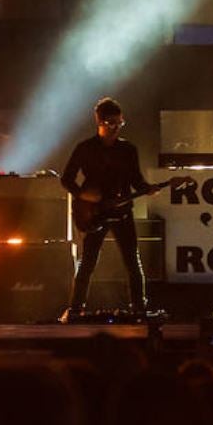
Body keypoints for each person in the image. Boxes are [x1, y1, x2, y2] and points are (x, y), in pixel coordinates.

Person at [59, 98, 160, 321]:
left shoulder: (128, 149)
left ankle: (139, 307)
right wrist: (83, 195)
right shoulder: (85, 149)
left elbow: (136, 179)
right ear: (100, 122)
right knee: (88, 261)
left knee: (132, 261)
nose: (115, 129)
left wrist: (147, 189)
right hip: (94, 213)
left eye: (119, 124)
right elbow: (66, 179)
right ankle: (76, 308)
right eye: (111, 124)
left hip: (122, 211)